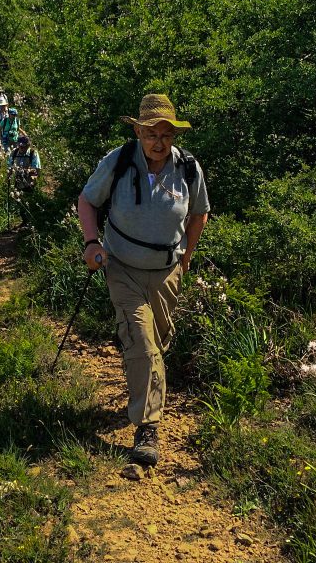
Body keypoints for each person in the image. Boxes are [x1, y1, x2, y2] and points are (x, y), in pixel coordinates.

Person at [76, 94, 209, 467]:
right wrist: (91, 242)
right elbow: (87, 202)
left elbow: (199, 214)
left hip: (166, 270)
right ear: (138, 131)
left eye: (166, 135)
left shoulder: (188, 168)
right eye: (151, 133)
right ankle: (148, 427)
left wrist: (186, 255)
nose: (158, 142)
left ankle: (142, 388)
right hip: (122, 267)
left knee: (158, 342)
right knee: (142, 339)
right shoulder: (118, 161)